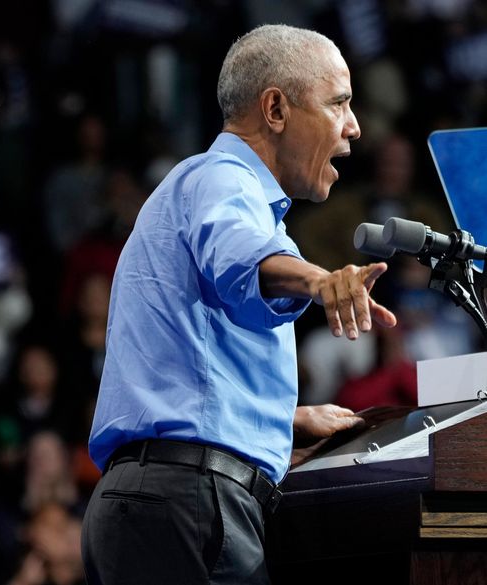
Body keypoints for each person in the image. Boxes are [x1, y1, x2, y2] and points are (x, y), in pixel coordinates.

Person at [81, 24, 397, 585]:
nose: (354, 126)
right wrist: (321, 282)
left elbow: (192, 378)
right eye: (339, 103)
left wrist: (281, 424)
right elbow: (240, 259)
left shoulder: (215, 193)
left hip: (161, 502)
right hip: (187, 503)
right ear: (275, 108)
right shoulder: (222, 178)